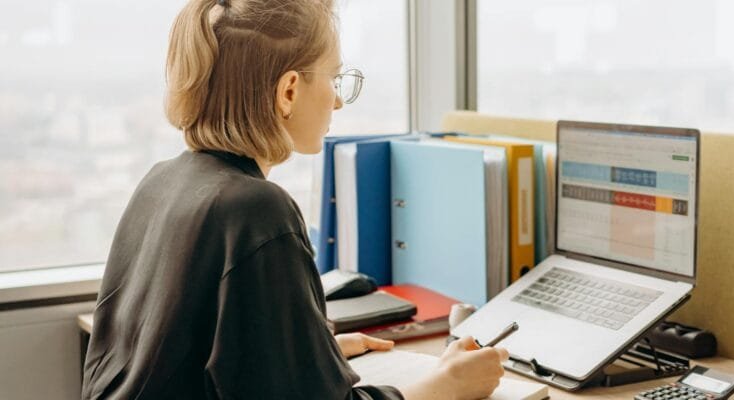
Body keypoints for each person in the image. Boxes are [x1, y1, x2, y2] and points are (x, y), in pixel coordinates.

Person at [81, 0, 508, 399]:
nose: (337, 99)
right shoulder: (256, 210)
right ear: (288, 91)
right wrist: (447, 385)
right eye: (333, 78)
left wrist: (311, 355)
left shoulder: (162, 182)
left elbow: (186, 358)